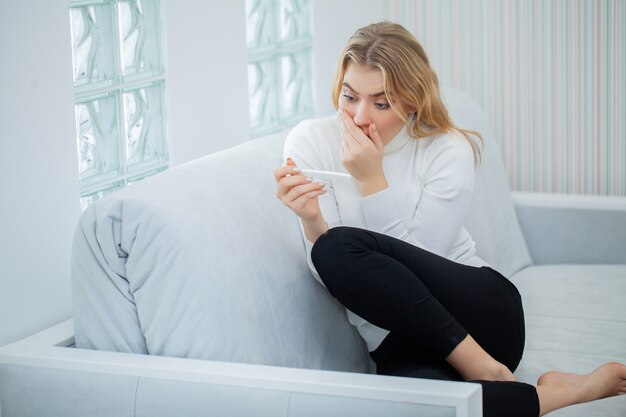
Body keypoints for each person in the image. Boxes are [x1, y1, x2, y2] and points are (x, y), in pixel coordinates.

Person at [273, 21, 626, 417]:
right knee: (332, 249)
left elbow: (415, 268)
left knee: (339, 244)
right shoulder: (309, 143)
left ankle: (480, 366)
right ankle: (565, 393)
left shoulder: (447, 150)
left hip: (480, 315)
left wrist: (373, 180)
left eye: (381, 102)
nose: (359, 117)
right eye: (349, 96)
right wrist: (311, 222)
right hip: (399, 339)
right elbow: (341, 275)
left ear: (411, 100)